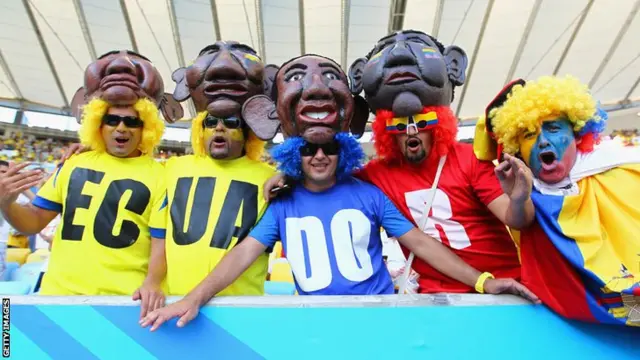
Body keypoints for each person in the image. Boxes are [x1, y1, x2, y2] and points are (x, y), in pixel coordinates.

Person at [139, 54, 539, 332]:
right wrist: (193, 298)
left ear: (343, 151)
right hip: (318, 321)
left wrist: (485, 281)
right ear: (294, 154)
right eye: (308, 148)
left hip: (381, 317)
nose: (319, 155)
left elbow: (420, 242)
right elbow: (243, 254)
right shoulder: (284, 203)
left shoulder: (367, 192)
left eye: (329, 147)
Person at [0, 50, 182, 318]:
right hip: (59, 298)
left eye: (132, 121)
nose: (121, 127)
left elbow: (160, 242)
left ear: (147, 127)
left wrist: (152, 282)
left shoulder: (161, 175)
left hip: (126, 303)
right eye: (112, 120)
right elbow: (35, 221)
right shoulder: (73, 164)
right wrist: (7, 203)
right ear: (98, 123)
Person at [474, 75, 640, 326]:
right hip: (584, 325)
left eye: (553, 129)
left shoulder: (624, 169)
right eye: (529, 134)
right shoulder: (528, 190)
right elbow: (523, 225)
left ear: (577, 135)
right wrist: (518, 197)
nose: (543, 141)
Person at [163, 41, 276, 296]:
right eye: (211, 122)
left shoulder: (270, 179)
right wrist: (91, 150)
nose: (219, 128)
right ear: (199, 130)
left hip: (242, 311)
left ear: (248, 133)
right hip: (174, 303)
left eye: (231, 122)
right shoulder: (171, 168)